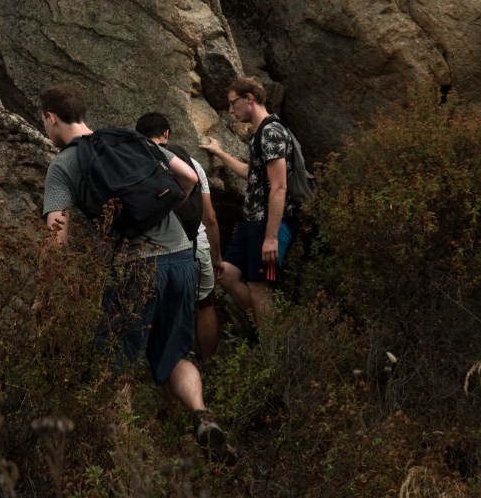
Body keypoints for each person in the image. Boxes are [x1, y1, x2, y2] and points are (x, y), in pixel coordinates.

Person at [40, 84, 230, 459]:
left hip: (135, 265)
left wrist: (43, 295)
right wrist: (160, 212)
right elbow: (189, 178)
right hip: (181, 256)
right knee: (175, 356)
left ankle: (129, 463)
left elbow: (55, 239)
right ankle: (202, 415)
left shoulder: (63, 166)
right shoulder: (130, 139)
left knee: (116, 367)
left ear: (51, 118)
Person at [199, 76, 301, 332]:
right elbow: (251, 173)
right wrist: (220, 153)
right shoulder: (260, 133)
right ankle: (271, 333)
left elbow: (279, 187)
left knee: (259, 287)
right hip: (253, 221)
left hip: (269, 223)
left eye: (233, 103)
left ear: (249, 99)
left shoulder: (271, 132)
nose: (231, 110)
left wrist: (271, 238)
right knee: (227, 274)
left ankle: (273, 348)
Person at [134, 111, 223, 360]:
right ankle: (208, 365)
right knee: (205, 304)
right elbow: (210, 217)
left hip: (158, 251)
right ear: (166, 133)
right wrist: (218, 258)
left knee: (165, 314)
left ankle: (169, 368)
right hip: (196, 244)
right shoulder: (191, 164)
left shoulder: (137, 163)